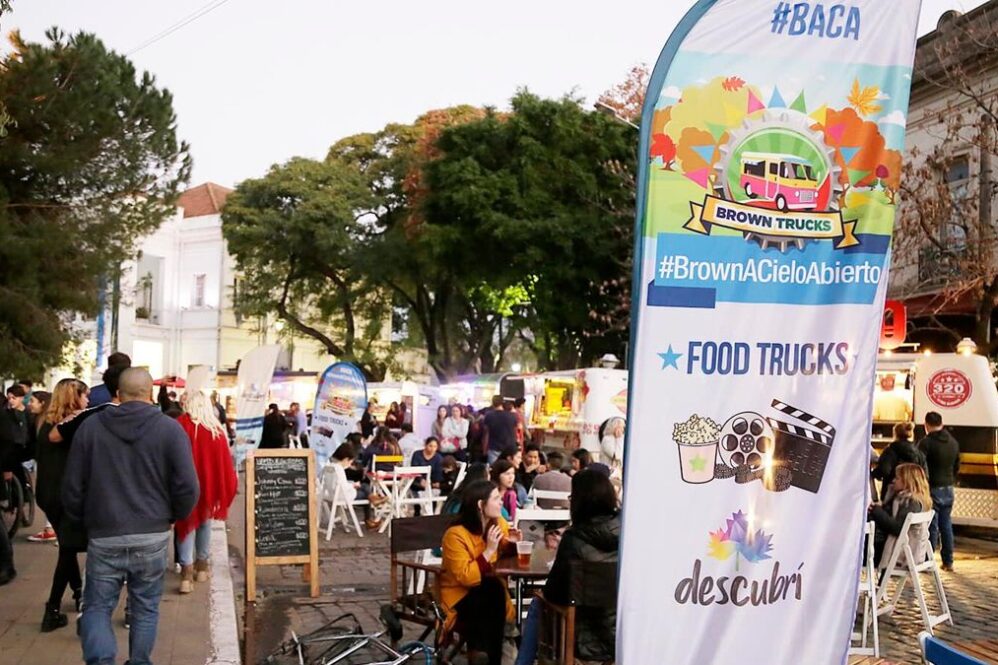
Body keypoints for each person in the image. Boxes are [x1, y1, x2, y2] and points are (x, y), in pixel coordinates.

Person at [63, 368, 199, 665]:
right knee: (146, 606)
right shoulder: (170, 430)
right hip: (152, 533)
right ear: (150, 394)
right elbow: (188, 486)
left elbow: (72, 487)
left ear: (118, 394)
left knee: (97, 606)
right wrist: (173, 516)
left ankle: (101, 660)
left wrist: (82, 521)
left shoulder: (91, 428)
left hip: (104, 532)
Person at [517, 469, 620, 665]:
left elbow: (554, 592)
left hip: (581, 637)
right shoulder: (628, 533)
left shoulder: (574, 539)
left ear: (580, 501)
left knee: (538, 602)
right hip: (623, 634)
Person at [35, 378, 97, 632]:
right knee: (68, 550)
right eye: (85, 396)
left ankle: (78, 592)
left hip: (46, 494)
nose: (88, 401)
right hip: (64, 496)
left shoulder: (43, 422)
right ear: (74, 398)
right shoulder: (70, 426)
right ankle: (52, 609)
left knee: (67, 546)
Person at [440, 480, 519, 665]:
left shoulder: (498, 523)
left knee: (493, 591)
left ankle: (486, 654)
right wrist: (489, 551)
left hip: (489, 590)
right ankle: (488, 654)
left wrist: (513, 545)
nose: (501, 502)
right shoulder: (455, 535)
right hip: (460, 594)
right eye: (496, 498)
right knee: (492, 593)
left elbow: (505, 551)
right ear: (480, 505)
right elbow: (465, 577)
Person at [173, 391, 237, 594]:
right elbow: (225, 463)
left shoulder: (179, 426)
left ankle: (186, 573)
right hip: (207, 487)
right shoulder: (216, 429)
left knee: (185, 526)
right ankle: (202, 567)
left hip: (183, 487)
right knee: (204, 523)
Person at [917, 411, 961, 571]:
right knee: (946, 524)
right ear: (941, 423)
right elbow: (957, 465)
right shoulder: (953, 442)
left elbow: (919, 464)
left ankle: (929, 561)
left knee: (932, 525)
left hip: (932, 487)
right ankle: (948, 562)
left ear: (926, 425)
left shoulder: (926, 443)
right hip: (949, 488)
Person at [869, 463, 933, 569]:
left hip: (898, 552)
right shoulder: (910, 498)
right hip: (901, 547)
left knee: (858, 546)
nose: (893, 480)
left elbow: (898, 528)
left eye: (897, 478)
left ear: (908, 481)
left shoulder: (911, 502)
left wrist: (876, 511)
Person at [329, 443, 384, 528]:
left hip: (332, 494)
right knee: (365, 491)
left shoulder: (331, 466)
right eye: (350, 462)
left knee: (364, 487)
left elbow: (339, 483)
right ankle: (369, 518)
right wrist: (353, 485)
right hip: (343, 495)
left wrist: (352, 484)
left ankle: (373, 501)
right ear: (346, 459)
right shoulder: (339, 469)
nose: (350, 465)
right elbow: (343, 486)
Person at [872, 422, 926, 502]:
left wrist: (874, 474)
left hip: (892, 492)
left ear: (895, 434)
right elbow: (925, 473)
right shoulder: (918, 452)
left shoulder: (890, 451)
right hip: (914, 492)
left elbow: (884, 470)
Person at [482, 397, 517, 464]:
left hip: (494, 447)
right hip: (510, 447)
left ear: (493, 403)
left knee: (493, 470)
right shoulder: (512, 416)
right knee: (508, 469)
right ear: (502, 402)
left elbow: (486, 433)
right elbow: (515, 432)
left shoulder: (489, 415)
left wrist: (484, 449)